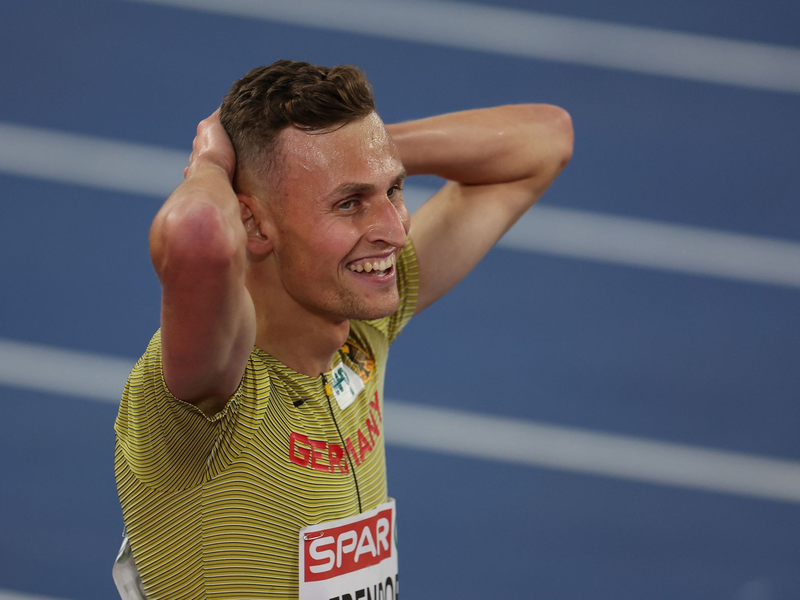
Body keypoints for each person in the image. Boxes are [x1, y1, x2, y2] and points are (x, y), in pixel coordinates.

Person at [114, 59, 573, 599]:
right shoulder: (210, 398)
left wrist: (361, 152)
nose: (394, 231)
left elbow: (546, 140)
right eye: (349, 203)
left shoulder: (361, 327)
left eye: (393, 190)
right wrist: (214, 163)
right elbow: (196, 236)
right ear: (252, 223)